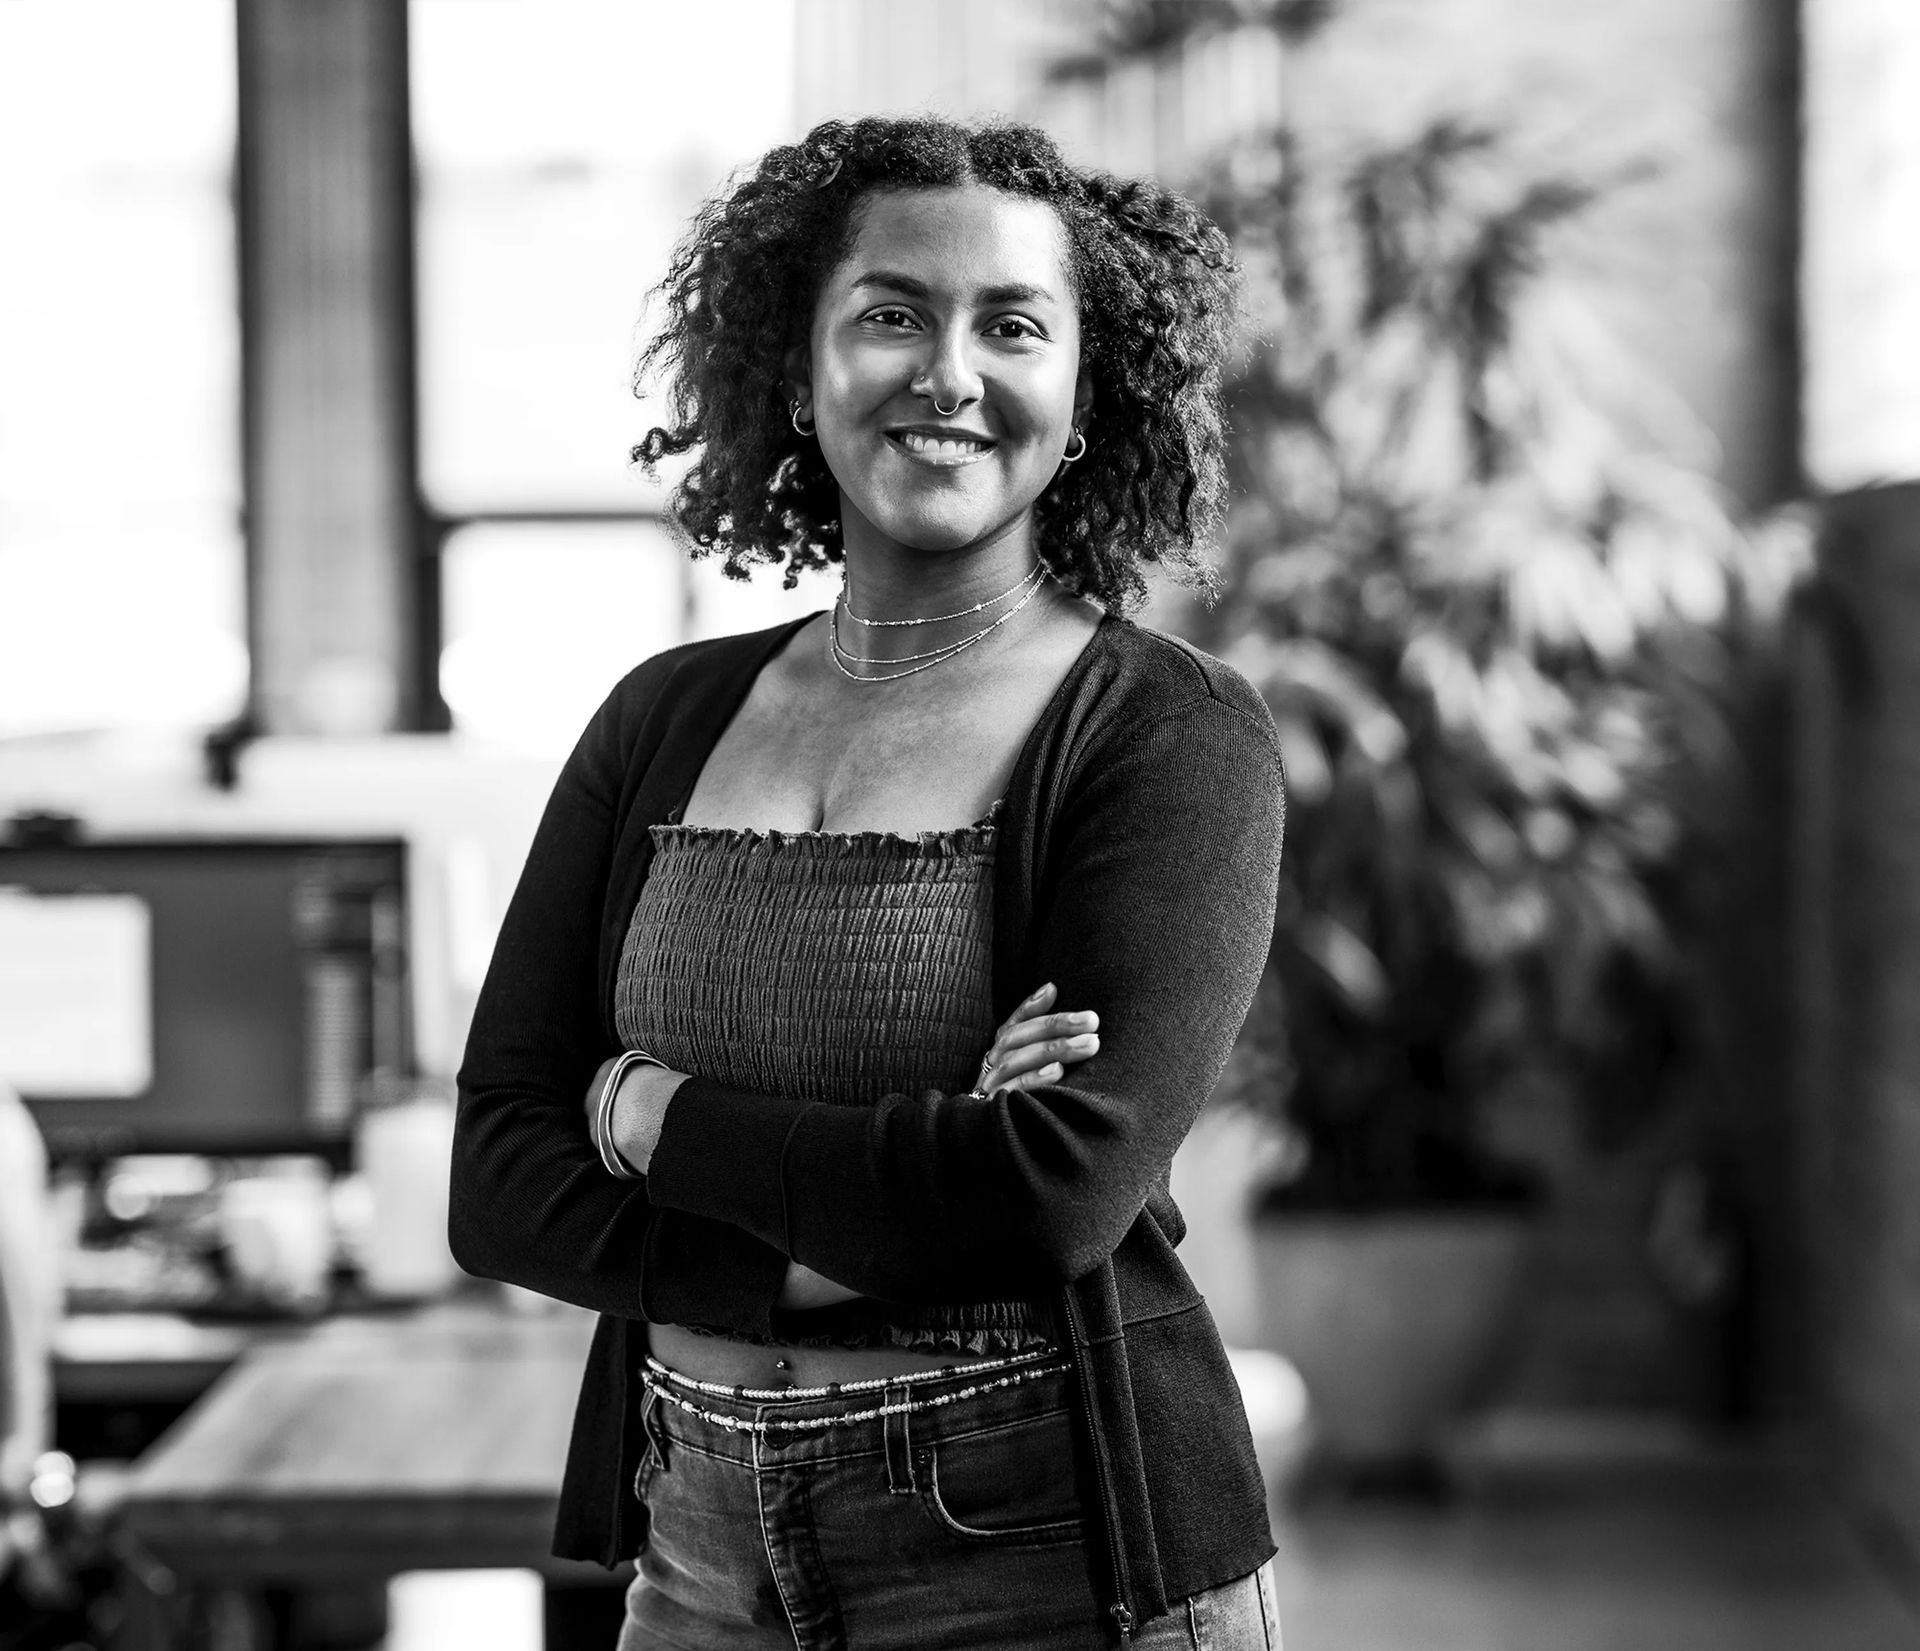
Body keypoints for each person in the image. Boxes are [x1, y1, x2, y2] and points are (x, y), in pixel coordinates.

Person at [450, 114, 1286, 1650]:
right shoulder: (662, 717)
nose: (949, 374)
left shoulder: (1167, 734)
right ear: (799, 368)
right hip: (696, 1550)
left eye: (1012, 327)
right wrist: (911, 1182)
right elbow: (500, 1184)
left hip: (1042, 1545)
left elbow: (1049, 1199)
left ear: (1083, 402)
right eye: (893, 313)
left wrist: (648, 1114)